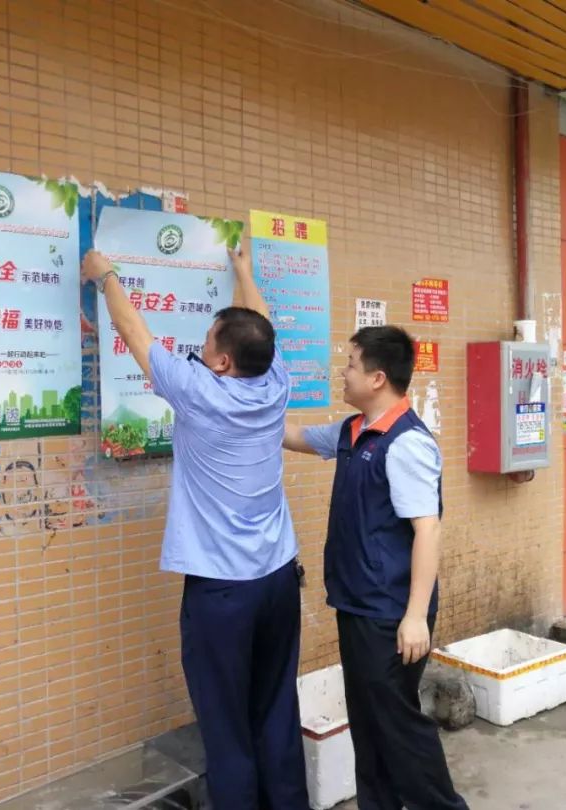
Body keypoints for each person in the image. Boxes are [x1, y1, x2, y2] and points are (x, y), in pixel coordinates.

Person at [81, 245, 308, 810]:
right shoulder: (276, 381)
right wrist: (244, 273)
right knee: (276, 705)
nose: (198, 349)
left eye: (207, 344)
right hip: (278, 579)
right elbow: (263, 328)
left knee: (225, 722)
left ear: (224, 362)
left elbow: (136, 334)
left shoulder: (197, 391)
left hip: (222, 591)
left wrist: (104, 274)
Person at [284, 325, 468, 810]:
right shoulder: (353, 431)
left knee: (398, 727)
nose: (341, 373)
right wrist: (240, 403)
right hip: (358, 604)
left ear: (378, 377)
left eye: (349, 363)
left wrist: (413, 617)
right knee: (370, 727)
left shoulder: (405, 444)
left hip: (390, 613)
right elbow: (297, 435)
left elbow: (427, 530)